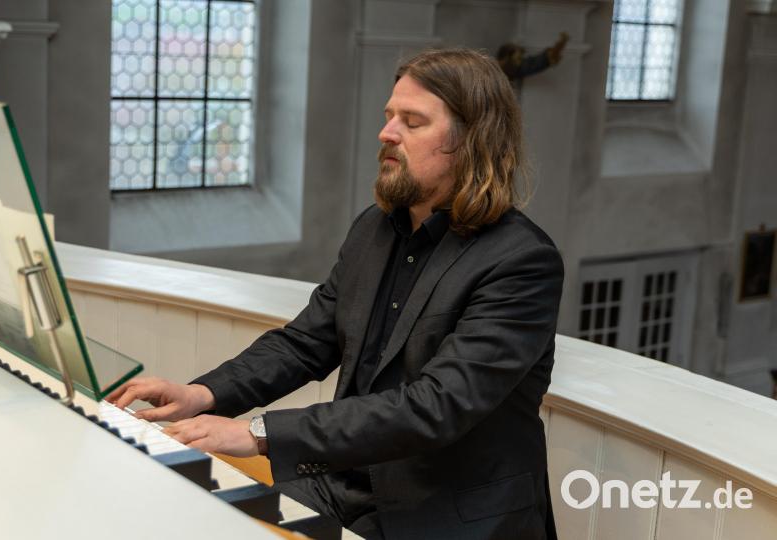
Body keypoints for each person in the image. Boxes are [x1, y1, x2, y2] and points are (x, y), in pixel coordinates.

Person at [109, 48, 564, 540]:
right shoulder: (375, 229)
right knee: (172, 517)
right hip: (342, 483)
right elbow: (305, 342)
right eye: (390, 116)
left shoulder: (522, 261)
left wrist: (258, 434)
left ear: (472, 141)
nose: (387, 133)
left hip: (448, 513)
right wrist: (202, 394)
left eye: (412, 122)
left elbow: (436, 406)